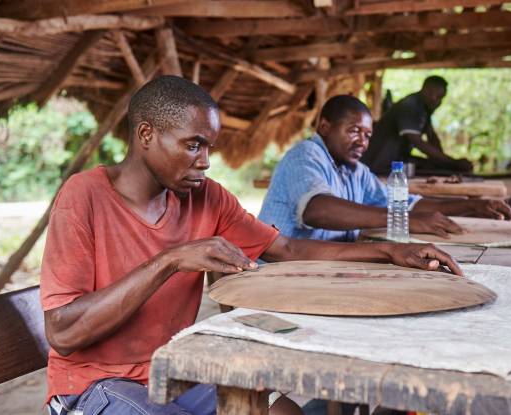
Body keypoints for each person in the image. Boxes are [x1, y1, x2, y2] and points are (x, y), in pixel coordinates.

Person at [41, 76, 464, 415]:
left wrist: (389, 251)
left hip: (174, 371)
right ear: (146, 134)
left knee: (287, 412)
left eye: (209, 147)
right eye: (193, 144)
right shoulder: (84, 196)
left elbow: (288, 250)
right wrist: (169, 260)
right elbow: (62, 332)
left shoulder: (207, 196)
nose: (205, 161)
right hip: (94, 386)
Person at [258, 95, 511, 244]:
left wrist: (472, 205)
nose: (362, 141)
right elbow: (319, 210)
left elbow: (405, 203)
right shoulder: (306, 155)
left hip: (314, 268)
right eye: (354, 131)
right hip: (277, 269)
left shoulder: (356, 172)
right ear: (325, 127)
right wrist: (403, 220)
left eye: (368, 134)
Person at [361, 76, 472, 175]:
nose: (438, 101)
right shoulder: (410, 106)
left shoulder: (425, 109)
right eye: (436, 96)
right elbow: (417, 142)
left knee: (436, 167)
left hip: (397, 161)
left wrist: (445, 163)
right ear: (426, 90)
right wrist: (452, 162)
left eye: (441, 98)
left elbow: (432, 137)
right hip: (380, 163)